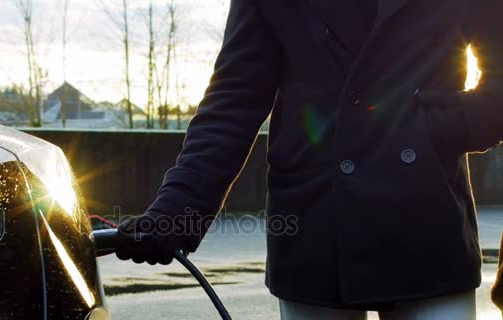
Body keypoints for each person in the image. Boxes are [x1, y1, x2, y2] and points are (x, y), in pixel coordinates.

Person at [116, 0, 503, 318]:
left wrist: (434, 129)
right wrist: (176, 211)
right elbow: (235, 98)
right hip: (315, 222)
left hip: (427, 219)